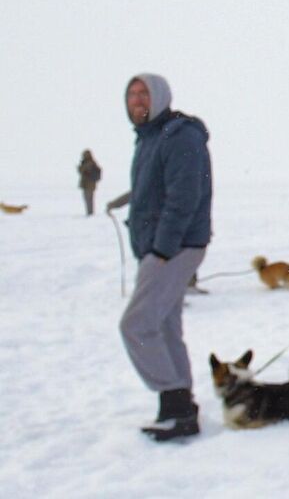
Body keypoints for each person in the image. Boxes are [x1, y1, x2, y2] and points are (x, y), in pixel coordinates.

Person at [117, 73, 214, 442]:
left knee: (136, 325)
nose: (138, 100)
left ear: (160, 97)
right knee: (164, 325)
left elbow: (184, 196)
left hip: (174, 247)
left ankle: (173, 401)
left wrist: (161, 248)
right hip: (160, 246)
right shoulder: (150, 139)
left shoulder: (180, 136)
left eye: (144, 94)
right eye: (132, 95)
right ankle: (181, 408)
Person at [78, 148, 102, 216]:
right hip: (88, 184)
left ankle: (90, 213)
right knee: (88, 199)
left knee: (89, 199)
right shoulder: (89, 162)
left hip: (89, 185)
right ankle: (89, 212)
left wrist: (80, 168)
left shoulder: (90, 163)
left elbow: (84, 171)